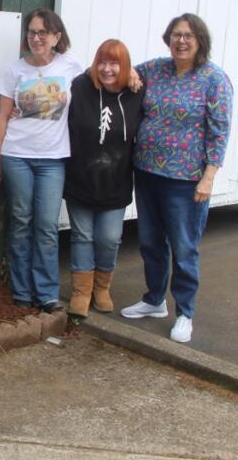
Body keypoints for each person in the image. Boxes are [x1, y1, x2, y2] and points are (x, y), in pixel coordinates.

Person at [120, 13, 233, 343]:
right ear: (167, 39)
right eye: (175, 35)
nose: (180, 41)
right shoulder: (156, 69)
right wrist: (130, 77)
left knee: (184, 249)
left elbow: (219, 132)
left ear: (200, 40)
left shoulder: (214, 79)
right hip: (148, 172)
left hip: (186, 181)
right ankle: (155, 300)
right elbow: (121, 69)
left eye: (187, 35)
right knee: (150, 243)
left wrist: (209, 177)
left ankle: (185, 312)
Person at [0, 8, 84, 313]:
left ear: (57, 36)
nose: (36, 37)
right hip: (17, 156)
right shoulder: (15, 71)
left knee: (46, 226)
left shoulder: (71, 67)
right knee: (21, 222)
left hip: (53, 159)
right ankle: (22, 290)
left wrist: (132, 75)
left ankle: (47, 293)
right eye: (32, 31)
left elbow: (100, 87)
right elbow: (3, 117)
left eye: (43, 32)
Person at [64, 40, 144, 318]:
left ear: (126, 67)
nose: (107, 69)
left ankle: (101, 288)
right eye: (102, 62)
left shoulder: (137, 93)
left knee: (109, 238)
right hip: (80, 178)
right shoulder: (80, 87)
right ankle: (81, 292)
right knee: (82, 236)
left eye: (115, 63)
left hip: (116, 181)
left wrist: (134, 74)